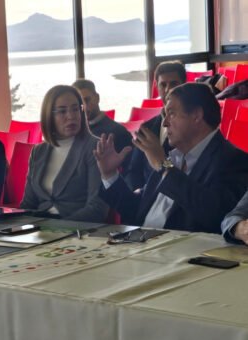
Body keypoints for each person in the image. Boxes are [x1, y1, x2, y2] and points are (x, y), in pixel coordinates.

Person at [94, 82, 248, 234]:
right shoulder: (172, 158)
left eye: (172, 114)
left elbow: (217, 216)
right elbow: (137, 211)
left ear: (196, 115)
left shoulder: (233, 160)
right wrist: (110, 175)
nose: (165, 123)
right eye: (164, 115)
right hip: (142, 243)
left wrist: (163, 166)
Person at [20, 84, 108, 223]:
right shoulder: (39, 151)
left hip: (76, 227)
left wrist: (58, 228)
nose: (71, 116)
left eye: (75, 109)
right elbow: (28, 204)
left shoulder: (95, 147)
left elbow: (97, 208)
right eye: (62, 111)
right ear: (49, 116)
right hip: (40, 226)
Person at [125, 61, 187, 191]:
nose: (168, 90)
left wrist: (162, 163)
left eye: (174, 84)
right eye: (163, 85)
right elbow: (134, 170)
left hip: (176, 195)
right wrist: (137, 193)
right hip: (146, 195)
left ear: (184, 85)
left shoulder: (190, 127)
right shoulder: (147, 128)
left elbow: (182, 176)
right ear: (157, 87)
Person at [72, 78, 132, 151]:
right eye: (79, 103)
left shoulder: (118, 132)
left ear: (97, 98)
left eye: (87, 100)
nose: (84, 107)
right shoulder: (74, 131)